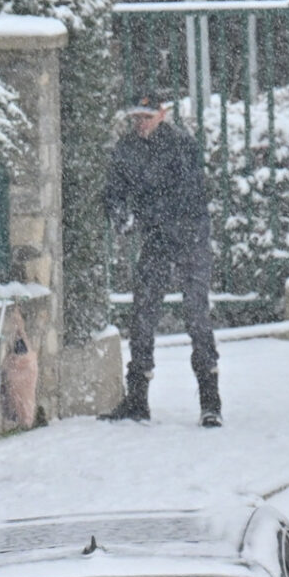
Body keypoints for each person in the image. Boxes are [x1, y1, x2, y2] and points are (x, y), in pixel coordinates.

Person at [101, 91, 221, 427]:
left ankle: (210, 401)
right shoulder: (127, 148)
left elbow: (188, 194)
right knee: (143, 313)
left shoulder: (182, 146)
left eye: (147, 117)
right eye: (136, 117)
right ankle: (137, 398)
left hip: (189, 235)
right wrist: (119, 212)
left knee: (197, 314)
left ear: (162, 115)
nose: (140, 124)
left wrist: (145, 214)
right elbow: (114, 189)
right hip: (156, 238)